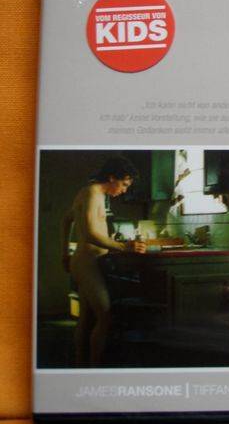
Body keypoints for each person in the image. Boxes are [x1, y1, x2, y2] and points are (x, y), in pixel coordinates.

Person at [60, 156, 147, 367]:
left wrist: (64, 253)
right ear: (112, 177)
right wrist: (124, 247)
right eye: (124, 184)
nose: (124, 190)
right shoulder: (92, 193)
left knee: (87, 318)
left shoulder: (93, 194)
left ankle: (81, 365)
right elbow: (90, 234)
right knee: (105, 316)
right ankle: (94, 367)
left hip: (86, 261)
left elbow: (66, 219)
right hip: (87, 262)